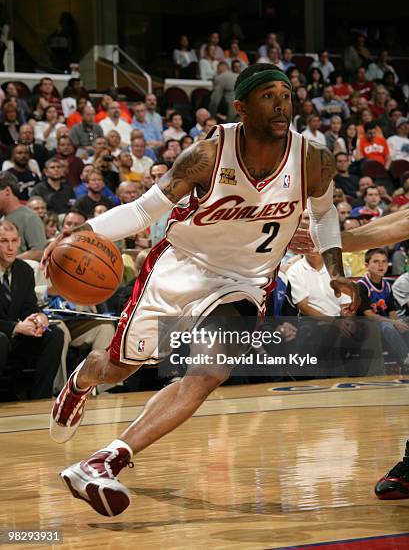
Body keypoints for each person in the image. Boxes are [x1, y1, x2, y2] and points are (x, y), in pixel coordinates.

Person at [42, 63, 359, 517]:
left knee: (211, 371)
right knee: (115, 368)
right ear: (241, 107)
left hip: (245, 282)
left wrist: (334, 268)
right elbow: (141, 211)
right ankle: (80, 382)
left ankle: (103, 462)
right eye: (269, 96)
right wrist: (78, 234)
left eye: (287, 95)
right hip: (181, 267)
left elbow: (326, 214)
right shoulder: (207, 156)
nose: (282, 104)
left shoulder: (313, 158)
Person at [0, 220, 64, 399]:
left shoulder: (25, 270)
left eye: (14, 241)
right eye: (4, 241)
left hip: (16, 336)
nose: (10, 247)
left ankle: (41, 397)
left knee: (54, 334)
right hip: (3, 334)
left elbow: (29, 306)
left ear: (20, 241)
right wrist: (16, 327)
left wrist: (39, 317)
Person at [0, 172, 46, 261]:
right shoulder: (2, 218)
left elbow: (38, 252)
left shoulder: (29, 217)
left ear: (7, 191)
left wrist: (7, 262)